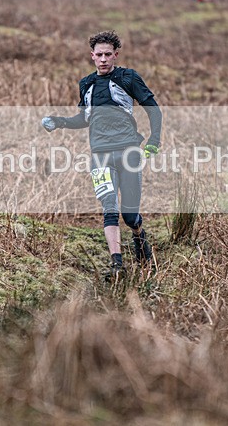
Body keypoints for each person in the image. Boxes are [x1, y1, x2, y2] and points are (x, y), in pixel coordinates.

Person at [41, 31, 162, 279]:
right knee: (109, 208)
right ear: (92, 56)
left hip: (129, 151)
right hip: (100, 155)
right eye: (99, 55)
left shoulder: (128, 77)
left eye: (108, 54)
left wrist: (154, 140)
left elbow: (153, 109)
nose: (104, 59)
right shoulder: (86, 84)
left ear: (116, 55)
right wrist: (59, 121)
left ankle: (139, 236)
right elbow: (84, 118)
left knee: (129, 215)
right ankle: (117, 264)